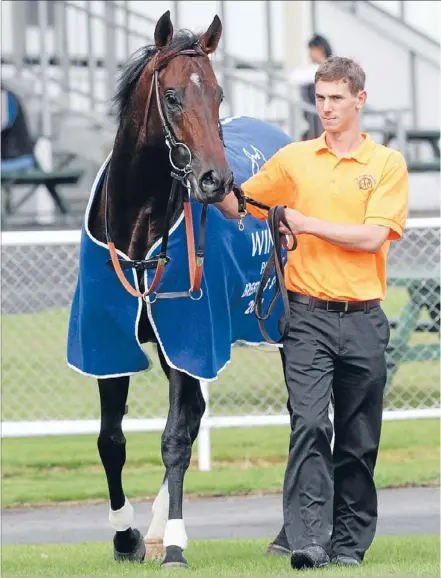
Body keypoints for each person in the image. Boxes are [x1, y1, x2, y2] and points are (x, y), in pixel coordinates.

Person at [216, 56, 409, 570]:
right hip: (306, 318)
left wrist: (305, 222)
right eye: (320, 99)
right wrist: (211, 182)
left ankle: (349, 545)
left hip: (365, 316)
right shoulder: (295, 160)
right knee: (307, 424)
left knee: (357, 437)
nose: (326, 108)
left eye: (336, 99)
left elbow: (371, 238)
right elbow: (241, 204)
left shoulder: (386, 165)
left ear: (359, 100)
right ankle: (307, 541)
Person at [290, 34, 333, 140]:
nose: (309, 54)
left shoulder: (331, 67)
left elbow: (295, 77)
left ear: (320, 49)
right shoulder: (312, 70)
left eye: (311, 50)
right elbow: (294, 78)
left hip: (323, 121)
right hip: (315, 122)